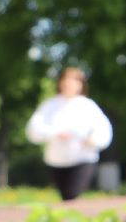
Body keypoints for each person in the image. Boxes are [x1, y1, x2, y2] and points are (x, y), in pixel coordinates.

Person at [26, 67, 114, 201]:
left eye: (74, 81)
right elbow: (34, 129)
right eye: (66, 80)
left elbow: (103, 130)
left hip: (82, 159)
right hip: (57, 161)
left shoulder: (87, 106)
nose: (69, 84)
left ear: (81, 85)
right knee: (66, 197)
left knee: (73, 195)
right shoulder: (50, 105)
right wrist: (55, 133)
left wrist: (93, 140)